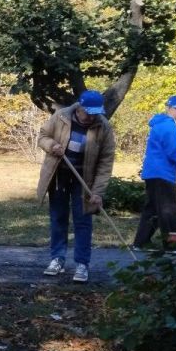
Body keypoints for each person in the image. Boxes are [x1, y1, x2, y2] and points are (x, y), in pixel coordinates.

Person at [36, 90, 116, 283]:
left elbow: (106, 162)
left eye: (94, 113)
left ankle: (82, 264)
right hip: (59, 175)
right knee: (58, 217)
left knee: (83, 220)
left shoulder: (103, 127)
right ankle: (57, 259)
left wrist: (97, 192)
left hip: (84, 179)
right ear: (79, 107)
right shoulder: (61, 116)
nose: (90, 117)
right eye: (88, 112)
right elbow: (43, 136)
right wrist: (52, 145)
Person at [133, 95, 176, 249]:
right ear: (168, 108)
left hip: (155, 173)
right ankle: (171, 245)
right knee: (169, 209)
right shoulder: (168, 126)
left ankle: (140, 243)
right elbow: (173, 152)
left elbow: (174, 146)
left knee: (153, 209)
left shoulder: (166, 124)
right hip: (162, 173)